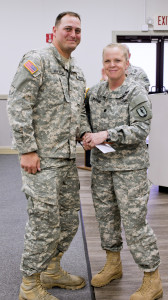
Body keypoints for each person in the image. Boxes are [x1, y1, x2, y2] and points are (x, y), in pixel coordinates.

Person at [7, 11, 91, 300]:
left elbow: (77, 113)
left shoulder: (77, 72)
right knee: (44, 222)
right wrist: (27, 149)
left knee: (68, 221)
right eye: (68, 28)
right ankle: (30, 284)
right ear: (54, 30)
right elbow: (18, 106)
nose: (73, 34)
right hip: (41, 160)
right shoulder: (37, 61)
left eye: (78, 30)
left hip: (67, 160)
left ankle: (52, 270)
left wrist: (85, 134)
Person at [83, 43, 163, 300]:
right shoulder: (94, 93)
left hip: (130, 169)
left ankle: (152, 279)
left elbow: (140, 130)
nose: (112, 65)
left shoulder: (136, 92)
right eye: (108, 61)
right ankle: (113, 264)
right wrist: (84, 134)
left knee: (135, 224)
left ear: (127, 64)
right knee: (106, 220)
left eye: (118, 60)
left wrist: (106, 134)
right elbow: (83, 118)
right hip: (102, 168)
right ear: (103, 64)